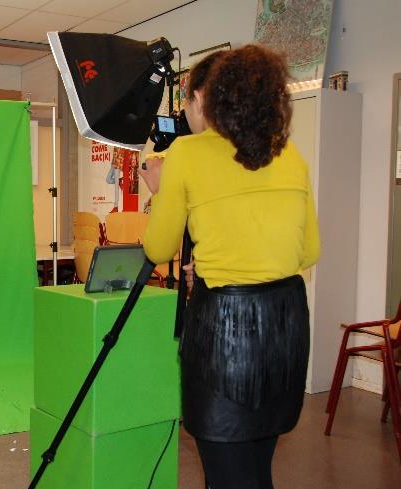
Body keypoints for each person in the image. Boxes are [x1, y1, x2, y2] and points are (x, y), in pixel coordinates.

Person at [139, 45, 320, 489]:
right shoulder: (290, 156)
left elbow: (159, 247)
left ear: (211, 98)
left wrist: (161, 190)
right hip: (284, 328)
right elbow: (307, 253)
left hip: (226, 332)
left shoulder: (187, 153)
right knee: (256, 469)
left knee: (228, 474)